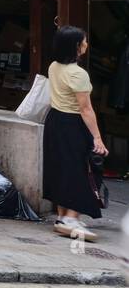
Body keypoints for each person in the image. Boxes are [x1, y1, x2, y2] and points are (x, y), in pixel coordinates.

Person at [43, 25, 107, 242]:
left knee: (62, 168)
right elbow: (86, 109)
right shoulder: (78, 74)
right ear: (76, 47)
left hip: (55, 121)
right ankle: (71, 218)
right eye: (84, 41)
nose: (87, 44)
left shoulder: (53, 66)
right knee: (83, 170)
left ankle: (63, 217)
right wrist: (97, 137)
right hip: (73, 124)